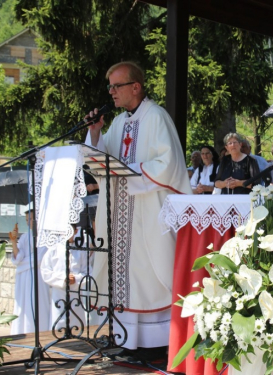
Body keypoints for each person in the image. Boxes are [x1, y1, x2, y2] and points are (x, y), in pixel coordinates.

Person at [85, 61, 192, 357]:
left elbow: (168, 165)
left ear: (136, 86)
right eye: (109, 86)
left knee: (149, 273)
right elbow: (101, 162)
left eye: (116, 86)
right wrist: (95, 134)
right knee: (125, 275)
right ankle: (127, 339)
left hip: (148, 214)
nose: (111, 92)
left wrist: (129, 173)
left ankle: (156, 342)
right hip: (121, 216)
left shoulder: (157, 117)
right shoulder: (119, 122)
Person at [8, 205, 51, 334]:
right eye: (27, 219)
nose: (29, 222)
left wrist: (24, 263)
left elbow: (41, 259)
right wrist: (14, 242)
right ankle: (22, 331)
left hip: (38, 275)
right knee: (23, 304)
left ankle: (41, 331)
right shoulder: (25, 237)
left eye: (31, 219)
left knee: (39, 303)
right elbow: (18, 257)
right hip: (24, 276)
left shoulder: (46, 236)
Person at [40, 225, 90, 331]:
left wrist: (76, 279)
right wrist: (62, 278)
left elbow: (88, 272)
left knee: (76, 320)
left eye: (70, 230)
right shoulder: (54, 249)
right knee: (58, 319)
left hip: (75, 292)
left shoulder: (80, 250)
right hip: (59, 292)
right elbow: (45, 271)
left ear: (76, 231)